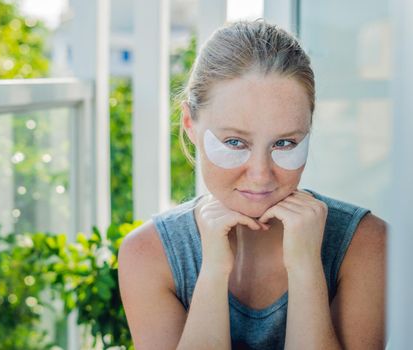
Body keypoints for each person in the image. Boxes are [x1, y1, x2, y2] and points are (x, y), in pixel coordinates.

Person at [118, 20, 386, 350]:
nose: (260, 174)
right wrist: (214, 270)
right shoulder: (148, 254)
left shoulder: (367, 244)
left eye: (285, 143)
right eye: (234, 142)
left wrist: (305, 268)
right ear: (190, 124)